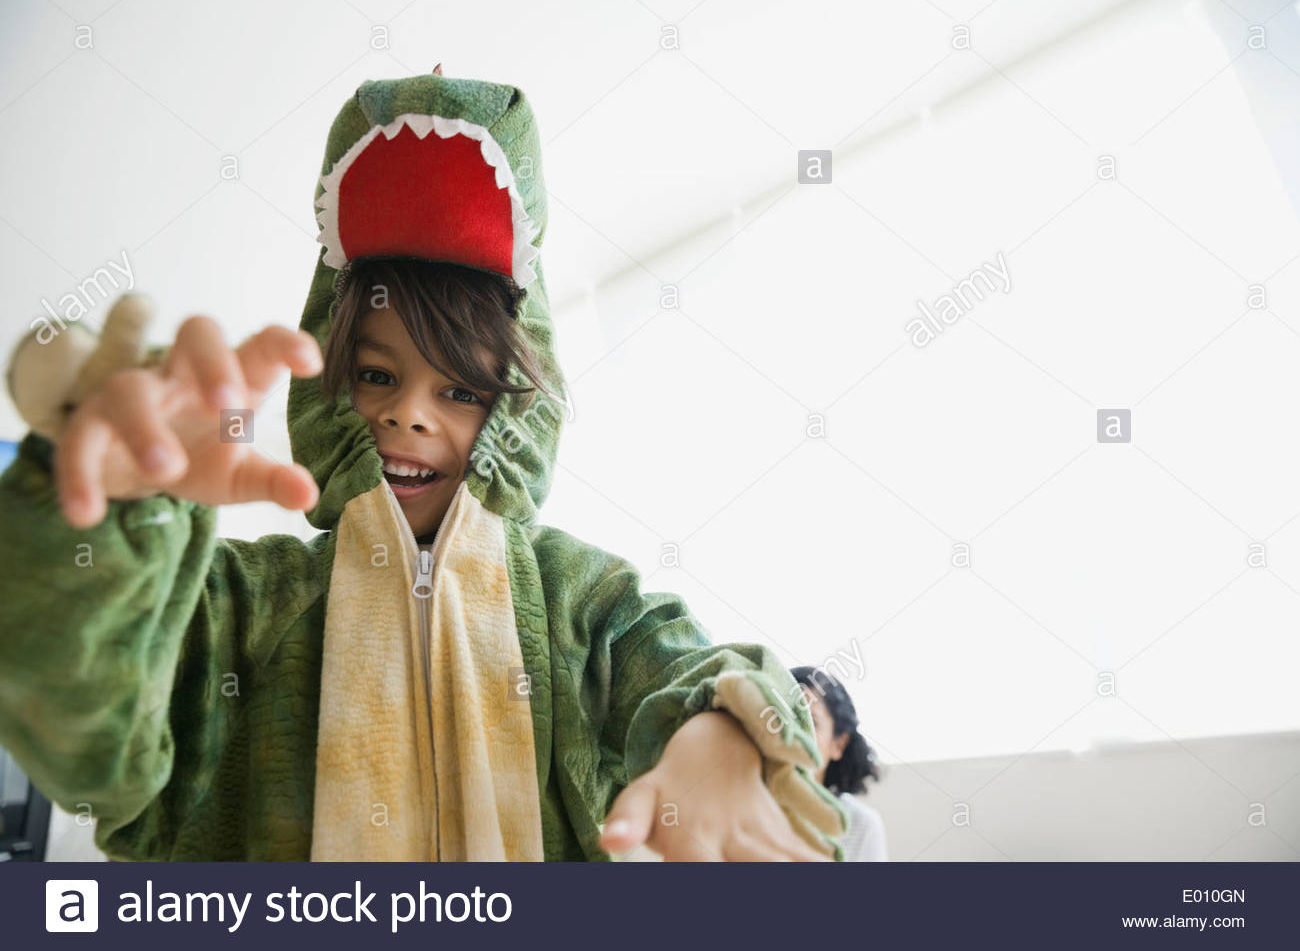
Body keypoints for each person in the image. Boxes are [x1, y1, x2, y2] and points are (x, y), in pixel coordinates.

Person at [0, 70, 850, 862]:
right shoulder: (236, 610)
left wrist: (726, 735)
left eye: (462, 389)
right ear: (329, 389)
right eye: (376, 376)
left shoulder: (589, 608)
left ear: (516, 408)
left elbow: (695, 671)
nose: (409, 413)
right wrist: (106, 519)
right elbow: (82, 739)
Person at [791, 666, 888, 861]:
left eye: (811, 722)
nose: (791, 732)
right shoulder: (739, 805)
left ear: (838, 744)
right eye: (783, 718)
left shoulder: (861, 825)